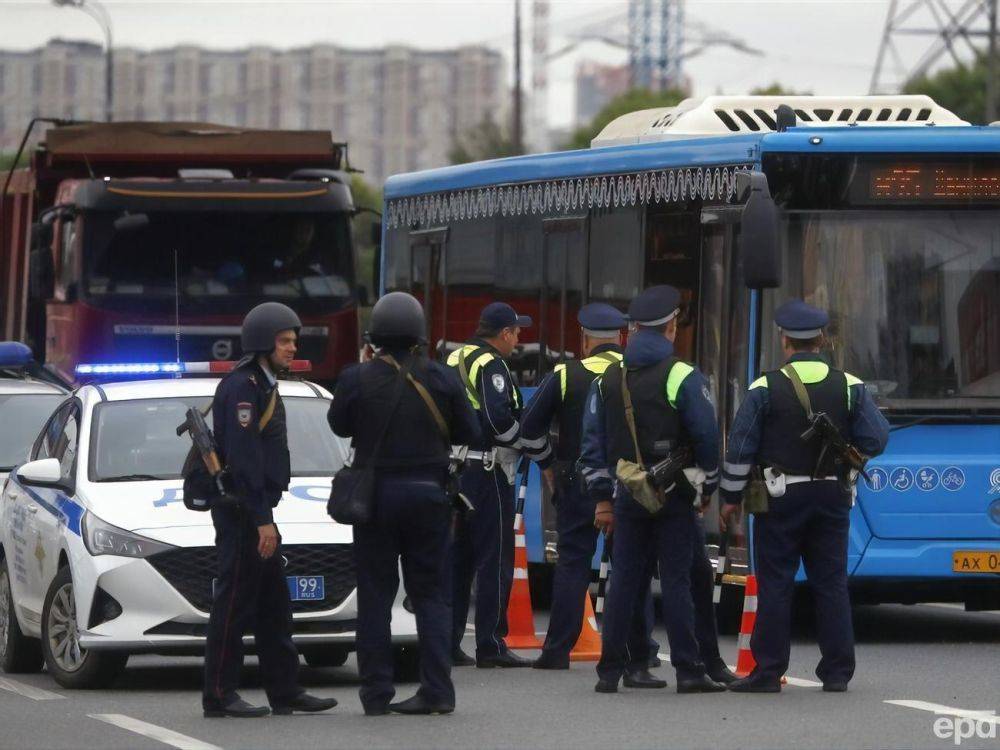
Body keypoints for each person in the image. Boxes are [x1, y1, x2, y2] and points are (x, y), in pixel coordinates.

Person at [720, 299, 889, 693]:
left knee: (777, 581)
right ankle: (837, 673)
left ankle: (768, 671)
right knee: (830, 583)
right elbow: (877, 437)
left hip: (779, 497)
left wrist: (730, 497)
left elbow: (741, 447)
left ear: (784, 341)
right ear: (823, 340)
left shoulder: (765, 387)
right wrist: (850, 456)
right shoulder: (850, 385)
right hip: (833, 495)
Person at [329, 292, 481, 715]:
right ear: (419, 336)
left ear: (374, 337)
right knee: (431, 595)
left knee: (376, 595)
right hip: (429, 496)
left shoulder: (357, 378)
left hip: (374, 499)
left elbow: (338, 423)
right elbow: (468, 431)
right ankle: (437, 691)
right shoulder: (440, 378)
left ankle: (376, 693)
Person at [580, 285, 725, 695]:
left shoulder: (609, 376)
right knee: (676, 580)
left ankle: (610, 671)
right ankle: (689, 670)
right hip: (674, 492)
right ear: (671, 327)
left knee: (625, 579)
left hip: (628, 492)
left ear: (634, 329)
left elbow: (594, 442)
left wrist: (603, 498)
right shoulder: (681, 374)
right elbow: (707, 437)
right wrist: (707, 485)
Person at [203, 302, 338, 718]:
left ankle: (285, 690)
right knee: (233, 605)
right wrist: (263, 520)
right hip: (244, 512)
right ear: (263, 343)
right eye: (284, 341)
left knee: (274, 606)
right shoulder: (243, 387)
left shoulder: (264, 383)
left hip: (259, 510)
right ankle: (220, 695)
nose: (291, 348)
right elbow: (244, 462)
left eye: (294, 341)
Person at [521, 302, 660, 684]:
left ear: (584, 340)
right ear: (621, 338)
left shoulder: (566, 374)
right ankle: (641, 651)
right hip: (629, 482)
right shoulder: (636, 373)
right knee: (631, 566)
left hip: (575, 479)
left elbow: (528, 428)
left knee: (572, 562)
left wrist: (548, 465)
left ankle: (557, 652)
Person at [447, 302, 533, 668]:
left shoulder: (454, 359)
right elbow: (500, 422)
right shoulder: (492, 364)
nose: (518, 339)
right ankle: (490, 645)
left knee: (458, 561)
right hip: (488, 471)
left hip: (455, 471)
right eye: (516, 333)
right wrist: (527, 440)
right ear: (503, 334)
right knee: (494, 558)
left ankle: (449, 642)